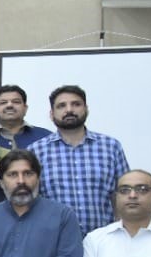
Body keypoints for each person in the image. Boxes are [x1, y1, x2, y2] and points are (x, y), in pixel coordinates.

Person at [29, 85, 129, 235]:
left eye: (76, 104)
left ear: (86, 109)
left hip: (103, 240)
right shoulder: (35, 151)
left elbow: (124, 194)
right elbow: (31, 200)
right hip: (55, 241)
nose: (69, 110)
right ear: (51, 114)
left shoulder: (111, 147)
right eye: (61, 106)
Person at [0, 84, 52, 150]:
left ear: (25, 108)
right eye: (3, 102)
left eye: (16, 102)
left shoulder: (46, 137)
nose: (9, 105)